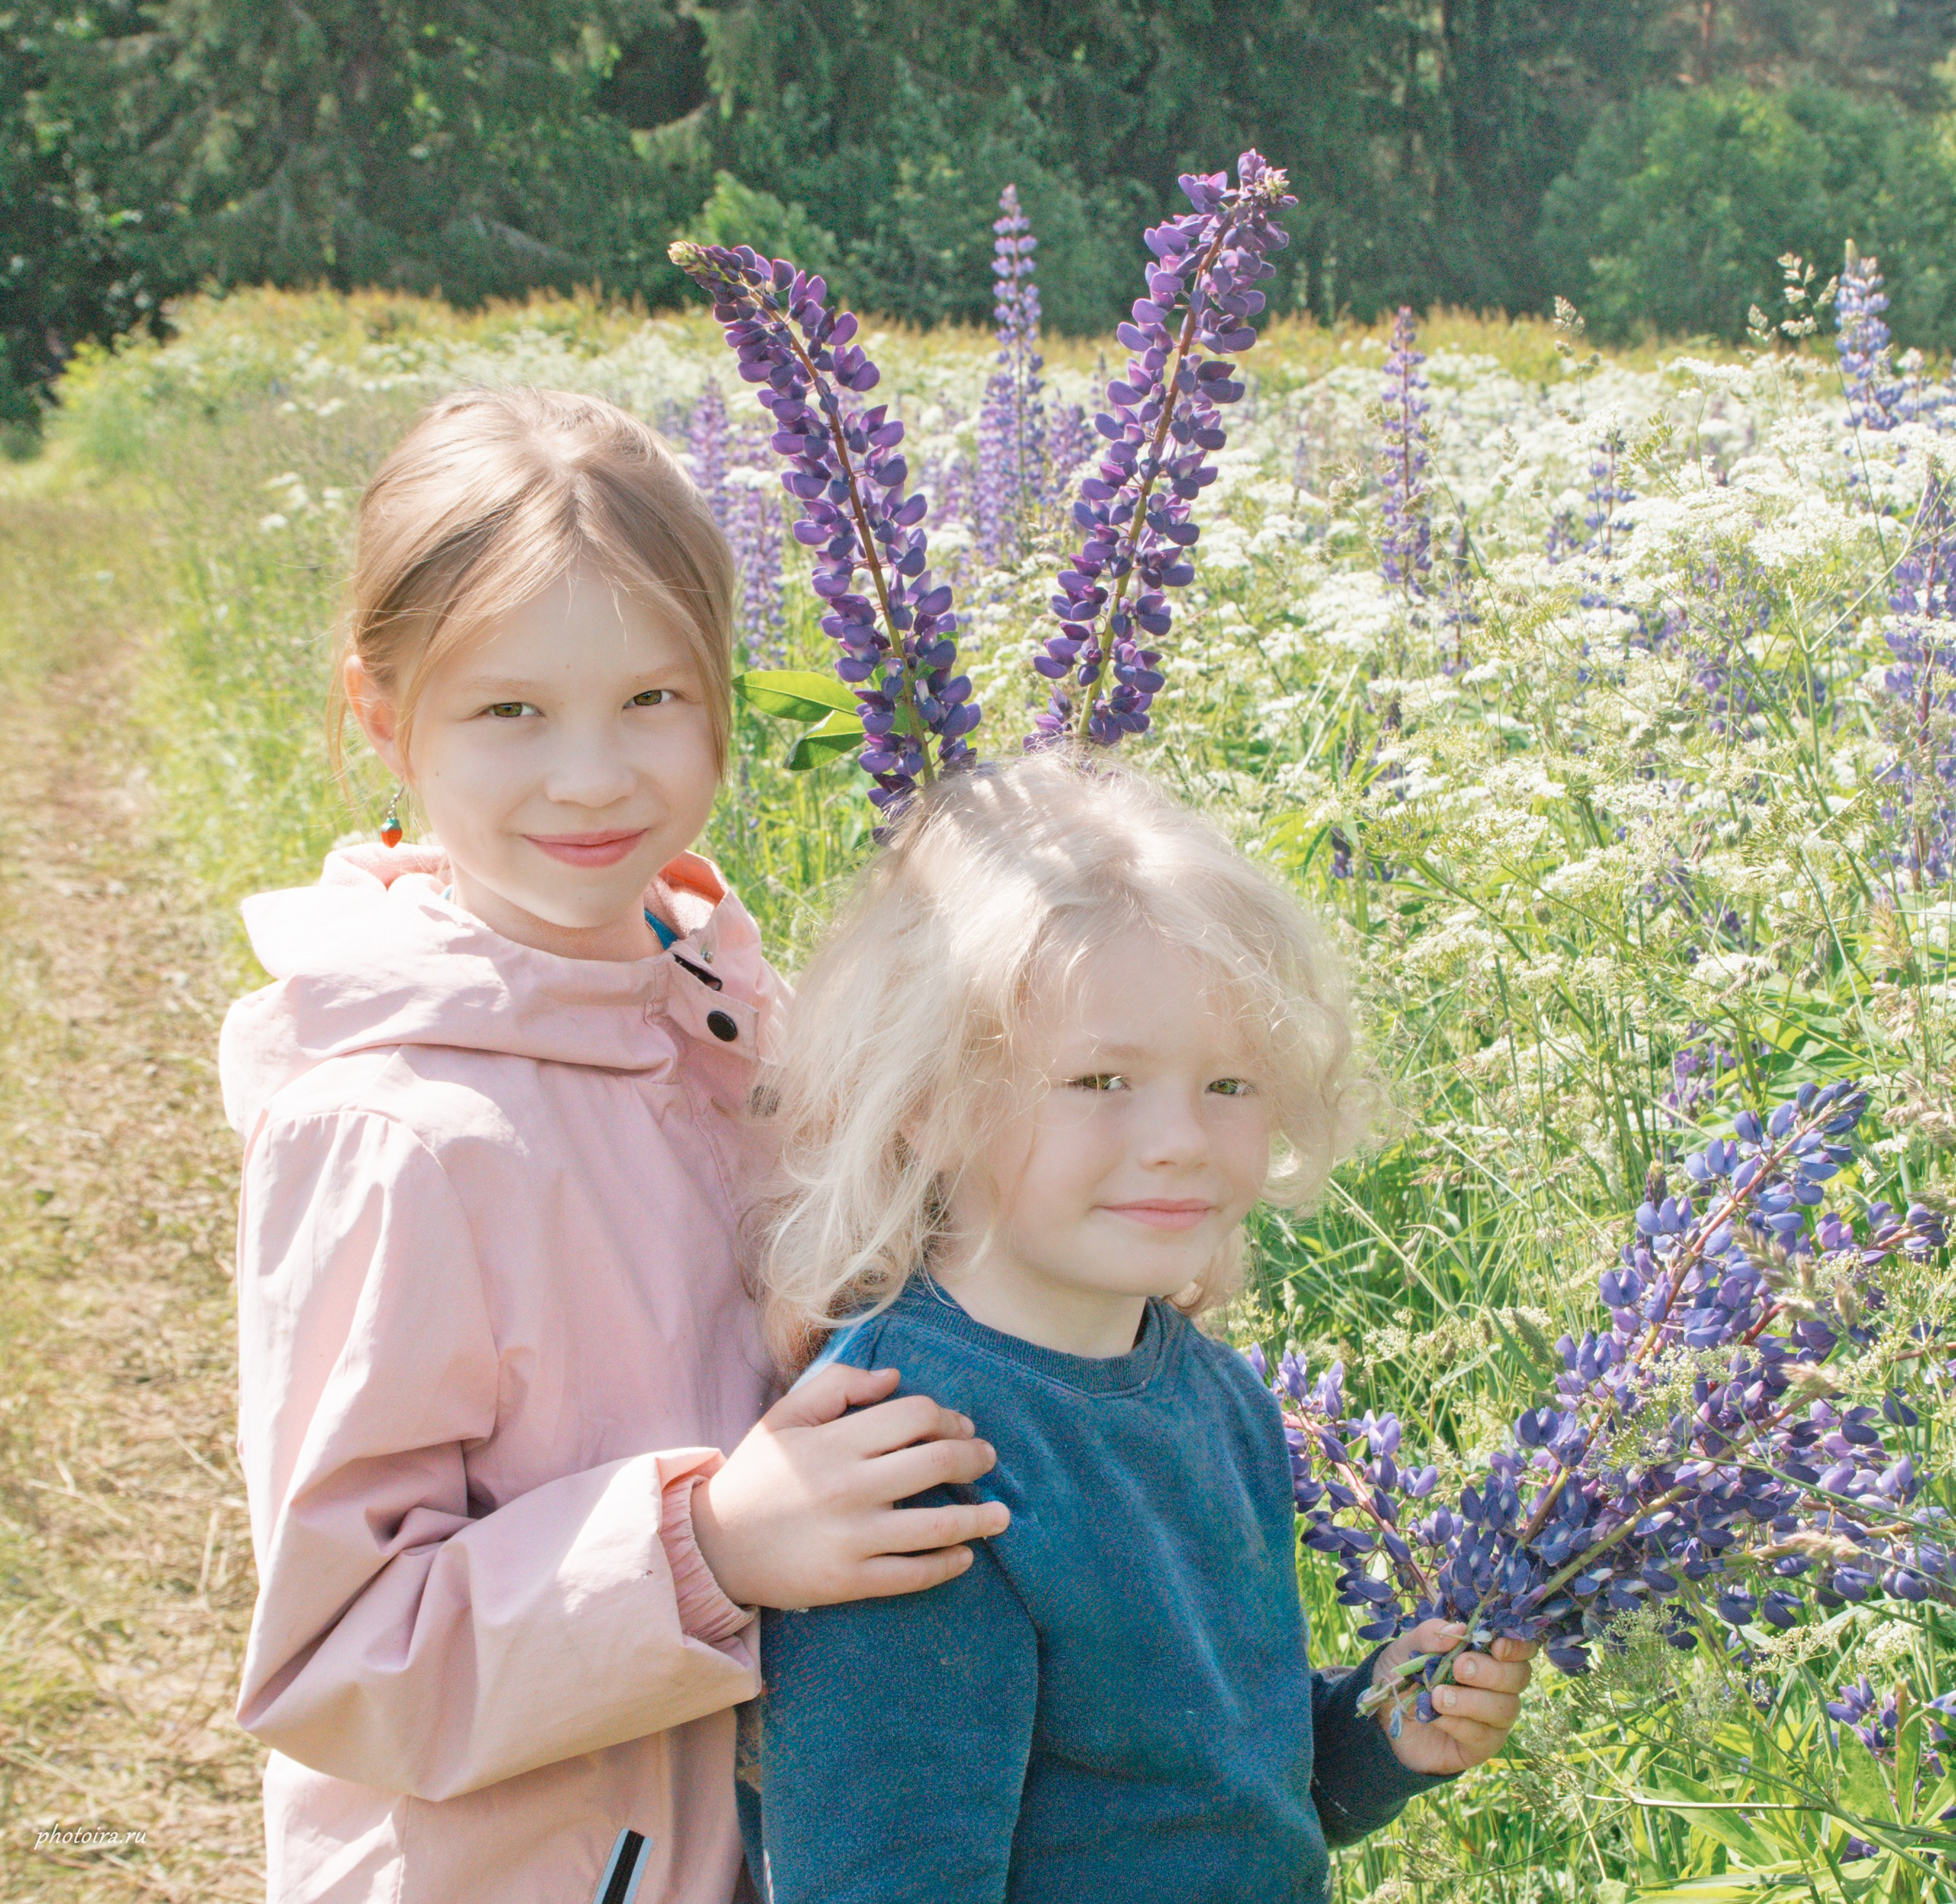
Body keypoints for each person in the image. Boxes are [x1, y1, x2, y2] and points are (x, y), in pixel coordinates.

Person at [219, 387, 1009, 1904]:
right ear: (382, 717)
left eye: (651, 699)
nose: (591, 777)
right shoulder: (392, 1135)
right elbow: (346, 1662)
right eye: (508, 711)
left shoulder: (731, 1010)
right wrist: (705, 1547)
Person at [740, 751, 1537, 1903]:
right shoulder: (909, 1453)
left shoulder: (1213, 1396)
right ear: (931, 1101)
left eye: (1229, 1084)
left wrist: (1377, 1735)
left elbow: (1216, 1794)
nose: (1179, 1138)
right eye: (1103, 1080)